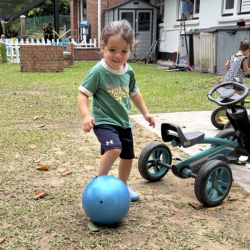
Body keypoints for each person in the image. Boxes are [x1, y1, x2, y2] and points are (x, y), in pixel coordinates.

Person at [78, 20, 155, 202]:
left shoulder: (128, 71)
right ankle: (99, 182)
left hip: (123, 122)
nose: (118, 56)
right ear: (103, 47)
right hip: (104, 121)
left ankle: (122, 186)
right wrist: (86, 115)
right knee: (114, 149)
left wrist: (145, 113)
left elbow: (135, 94)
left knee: (128, 157)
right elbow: (83, 94)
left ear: (130, 50)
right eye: (112, 50)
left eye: (124, 51)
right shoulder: (98, 71)